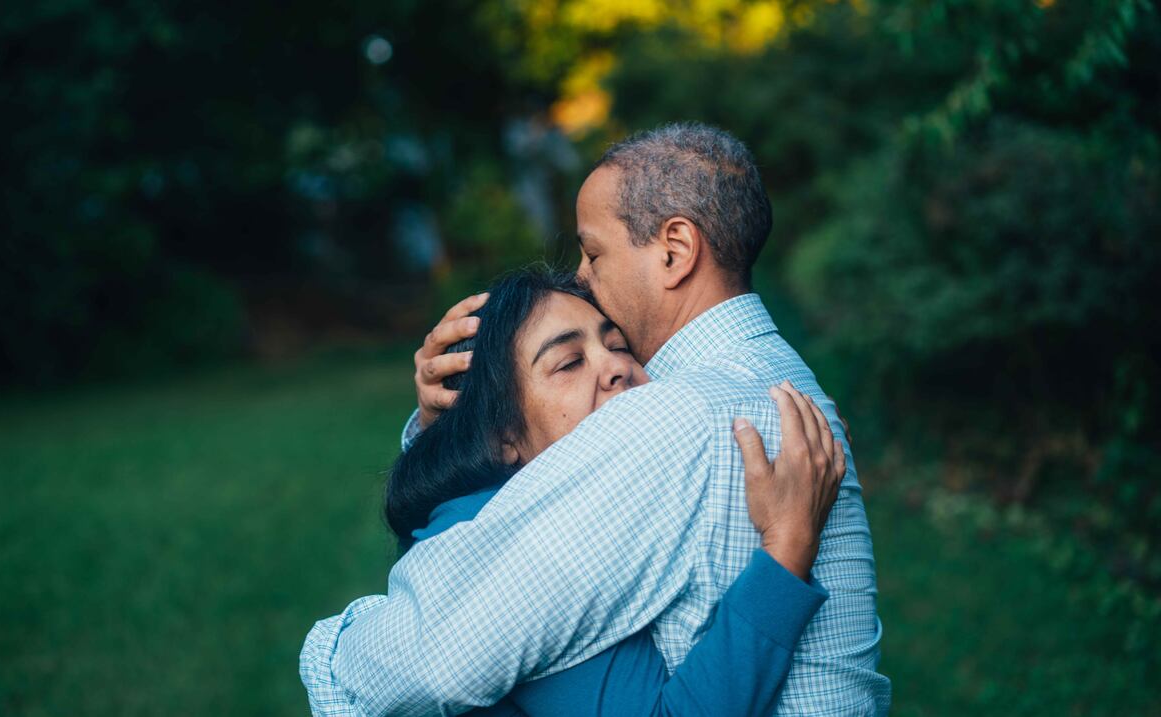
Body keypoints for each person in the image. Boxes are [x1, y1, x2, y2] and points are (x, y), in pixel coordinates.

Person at [301, 122, 890, 715]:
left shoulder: (675, 416)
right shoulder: (772, 377)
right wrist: (451, 417)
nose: (582, 276)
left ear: (675, 250)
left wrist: (333, 648)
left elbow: (427, 659)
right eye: (569, 361)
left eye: (594, 251)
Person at [383, 267, 844, 715]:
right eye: (568, 363)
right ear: (502, 438)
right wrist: (787, 546)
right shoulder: (531, 556)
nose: (618, 367)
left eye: (618, 345)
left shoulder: (541, 504)